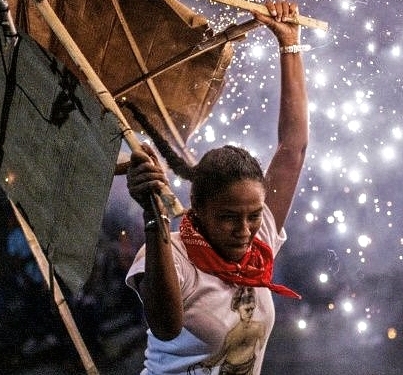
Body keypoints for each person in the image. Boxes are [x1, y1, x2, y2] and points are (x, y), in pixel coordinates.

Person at [125, 1, 309, 374]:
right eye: (228, 218)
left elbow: (293, 149)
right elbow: (165, 327)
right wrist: (153, 215)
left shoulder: (259, 243)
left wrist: (289, 45)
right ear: (198, 209)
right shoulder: (169, 254)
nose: (244, 230)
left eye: (253, 216)